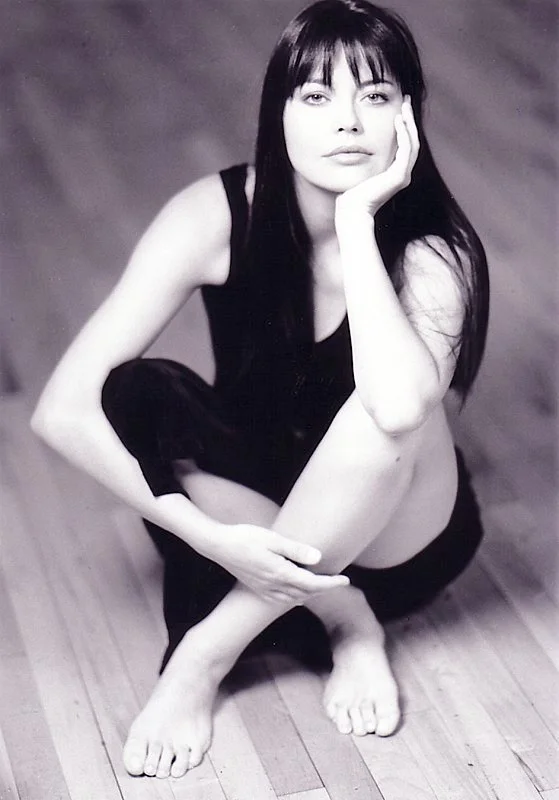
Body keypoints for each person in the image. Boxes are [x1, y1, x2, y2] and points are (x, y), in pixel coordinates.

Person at [31, 0, 489, 781]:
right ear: (278, 113)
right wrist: (203, 536)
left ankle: (209, 655)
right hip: (254, 525)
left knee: (386, 409)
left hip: (396, 544)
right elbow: (61, 410)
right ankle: (339, 617)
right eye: (315, 95)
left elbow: (397, 408)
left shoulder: (434, 251)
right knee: (134, 389)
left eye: (375, 95)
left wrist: (356, 223)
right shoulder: (214, 214)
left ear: (407, 117)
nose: (346, 120)